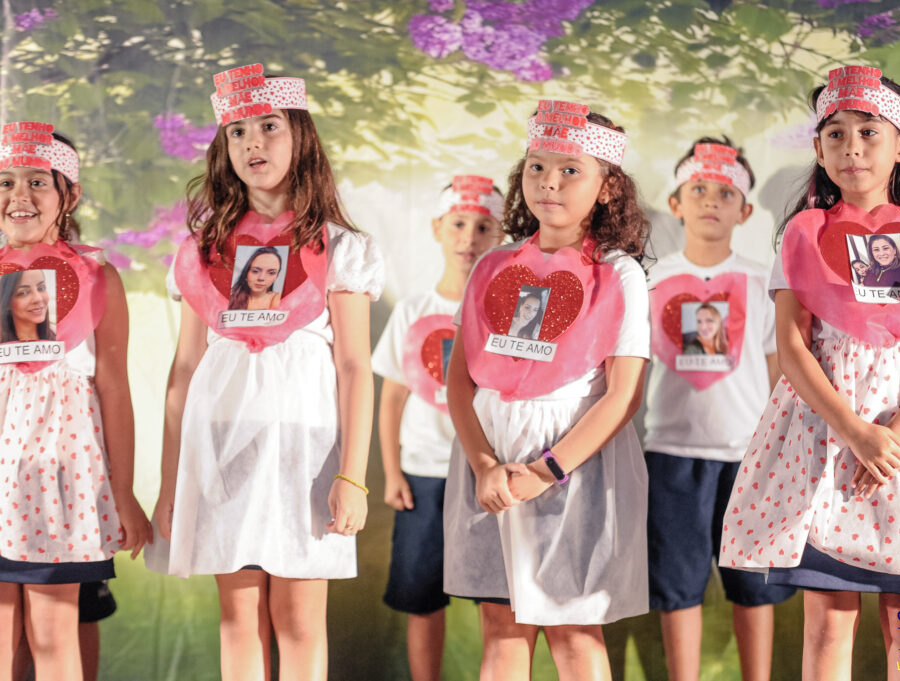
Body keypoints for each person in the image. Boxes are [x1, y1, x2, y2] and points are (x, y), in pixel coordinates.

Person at [720, 67, 900, 681]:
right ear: (819, 150)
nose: (852, 148)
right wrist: (855, 432)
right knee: (828, 624)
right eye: (836, 134)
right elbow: (793, 346)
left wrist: (893, 436)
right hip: (827, 438)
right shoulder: (803, 233)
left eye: (869, 132)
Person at [149, 65, 382, 681]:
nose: (253, 142)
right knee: (238, 616)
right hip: (220, 443)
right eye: (238, 132)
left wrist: (352, 476)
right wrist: (171, 482)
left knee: (299, 619)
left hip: (305, 449)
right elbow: (184, 370)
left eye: (269, 127)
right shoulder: (205, 250)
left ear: (300, 135)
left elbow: (354, 366)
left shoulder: (339, 247)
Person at [443, 100, 651, 681]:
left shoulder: (619, 274)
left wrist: (544, 471)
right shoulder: (493, 265)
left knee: (573, 630)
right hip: (489, 456)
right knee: (502, 627)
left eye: (570, 170)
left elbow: (623, 395)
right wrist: (485, 464)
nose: (549, 182)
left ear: (608, 187)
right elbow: (461, 379)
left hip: (570, 464)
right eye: (537, 167)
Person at [0, 123, 151, 681]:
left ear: (70, 194)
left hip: (59, 488)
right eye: (5, 181)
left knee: (53, 635)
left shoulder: (99, 278)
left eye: (37, 181)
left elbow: (114, 389)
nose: (19, 195)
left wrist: (123, 493)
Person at [645, 138, 794, 681]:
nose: (711, 200)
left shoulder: (764, 280)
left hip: (749, 457)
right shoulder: (649, 280)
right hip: (670, 454)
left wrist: (781, 452)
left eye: (726, 193)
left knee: (753, 587)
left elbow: (780, 373)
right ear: (676, 202)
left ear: (745, 211)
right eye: (699, 189)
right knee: (677, 586)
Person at [371, 175, 504, 681]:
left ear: (500, 235)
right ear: (437, 228)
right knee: (421, 598)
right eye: (459, 224)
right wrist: (392, 472)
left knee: (496, 599)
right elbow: (392, 398)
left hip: (486, 476)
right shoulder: (413, 311)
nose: (469, 238)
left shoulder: (507, 314)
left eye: (483, 227)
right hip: (423, 475)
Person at [0, 269, 57, 342]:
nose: (38, 298)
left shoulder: (61, 335)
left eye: (41, 288)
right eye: (23, 293)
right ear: (7, 301)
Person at [228, 246, 283, 310]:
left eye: (271, 273)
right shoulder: (231, 300)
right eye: (255, 271)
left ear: (276, 276)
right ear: (246, 273)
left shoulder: (277, 298)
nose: (261, 278)